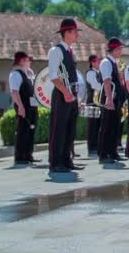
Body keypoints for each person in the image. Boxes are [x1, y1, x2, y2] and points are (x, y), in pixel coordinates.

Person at [47, 18, 83, 173]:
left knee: (70, 129)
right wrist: (66, 93)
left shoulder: (70, 51)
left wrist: (76, 97)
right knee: (59, 129)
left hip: (71, 94)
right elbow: (53, 76)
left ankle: (67, 160)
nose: (77, 35)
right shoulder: (56, 51)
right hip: (62, 94)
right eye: (75, 32)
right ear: (67, 33)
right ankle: (55, 163)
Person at [97, 38, 127, 164]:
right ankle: (103, 154)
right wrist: (109, 99)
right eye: (119, 48)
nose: (121, 51)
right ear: (113, 50)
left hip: (116, 99)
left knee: (115, 126)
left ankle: (112, 151)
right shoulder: (106, 62)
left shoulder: (114, 62)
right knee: (106, 127)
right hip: (110, 99)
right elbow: (107, 81)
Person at [9, 51, 39, 165]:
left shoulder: (27, 73)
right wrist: (20, 107)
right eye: (27, 60)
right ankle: (20, 157)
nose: (30, 62)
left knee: (31, 130)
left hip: (31, 106)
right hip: (24, 106)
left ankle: (28, 155)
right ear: (21, 61)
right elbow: (14, 92)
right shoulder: (16, 74)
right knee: (23, 131)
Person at [85, 54, 102, 155]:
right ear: (92, 62)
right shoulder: (90, 73)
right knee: (92, 126)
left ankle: (96, 146)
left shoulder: (98, 73)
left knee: (98, 125)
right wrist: (105, 88)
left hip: (98, 102)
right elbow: (95, 85)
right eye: (97, 61)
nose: (99, 62)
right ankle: (92, 147)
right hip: (92, 102)